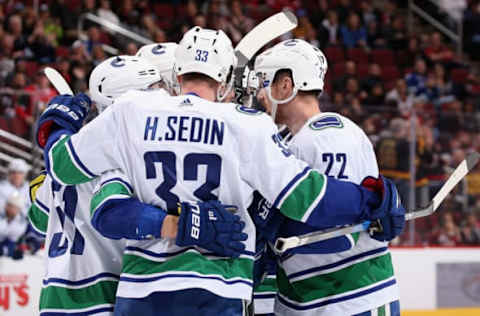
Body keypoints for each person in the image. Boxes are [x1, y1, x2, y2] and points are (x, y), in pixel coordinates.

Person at [36, 27, 402, 316]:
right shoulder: (245, 124)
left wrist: (55, 127)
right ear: (226, 80)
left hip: (139, 293)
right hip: (219, 291)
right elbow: (307, 197)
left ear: (177, 74)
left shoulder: (130, 111)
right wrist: (370, 198)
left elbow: (63, 167)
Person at [253, 39, 404, 315]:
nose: (258, 94)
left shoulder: (331, 137)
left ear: (286, 86)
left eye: (263, 82)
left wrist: (273, 229)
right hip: (301, 300)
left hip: (351, 297)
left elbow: (338, 233)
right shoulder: (288, 139)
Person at [0, 192, 27, 259]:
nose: (12, 209)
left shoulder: (22, 223)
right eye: (10, 205)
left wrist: (14, 250)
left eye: (15, 207)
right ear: (6, 206)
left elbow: (12, 240)